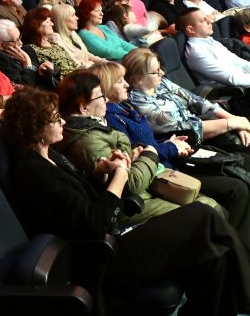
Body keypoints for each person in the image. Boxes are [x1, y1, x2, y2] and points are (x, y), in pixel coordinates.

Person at [1, 87, 250, 316]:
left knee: (216, 255)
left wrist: (100, 172)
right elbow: (96, 223)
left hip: (112, 239)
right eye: (56, 119)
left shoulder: (50, 155)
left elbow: (76, 201)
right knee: (203, 216)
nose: (63, 122)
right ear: (36, 128)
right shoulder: (34, 173)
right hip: (102, 260)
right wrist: (120, 174)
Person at [90, 60, 250, 241]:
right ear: (106, 88)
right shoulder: (114, 116)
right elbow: (140, 155)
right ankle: (237, 246)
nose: (126, 84)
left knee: (240, 170)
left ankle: (238, 245)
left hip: (172, 158)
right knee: (234, 191)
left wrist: (168, 142)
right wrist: (170, 147)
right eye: (120, 81)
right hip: (161, 173)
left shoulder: (124, 106)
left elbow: (147, 143)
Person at [56, 70, 204, 223]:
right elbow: (130, 183)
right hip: (131, 204)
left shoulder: (96, 124)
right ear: (83, 108)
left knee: (206, 205)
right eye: (100, 96)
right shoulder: (87, 140)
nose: (105, 99)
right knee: (204, 212)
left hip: (147, 185)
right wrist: (151, 152)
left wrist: (136, 153)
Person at [124, 47, 250, 151]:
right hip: (188, 142)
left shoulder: (161, 83)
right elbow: (186, 129)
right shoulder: (138, 104)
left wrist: (236, 120)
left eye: (160, 68)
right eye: (155, 72)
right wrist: (231, 123)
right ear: (137, 78)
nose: (162, 73)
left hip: (201, 123)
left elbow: (195, 100)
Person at [180, 7, 250, 88]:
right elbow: (232, 79)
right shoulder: (196, 51)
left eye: (207, 18)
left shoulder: (209, 40)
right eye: (203, 20)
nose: (209, 21)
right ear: (190, 29)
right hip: (232, 90)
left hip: (244, 78)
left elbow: (238, 62)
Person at [22, 7, 80, 78]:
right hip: (69, 81)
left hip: (79, 75)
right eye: (47, 22)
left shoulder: (55, 45)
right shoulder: (31, 49)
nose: (52, 24)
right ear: (35, 25)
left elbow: (74, 64)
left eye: (51, 21)